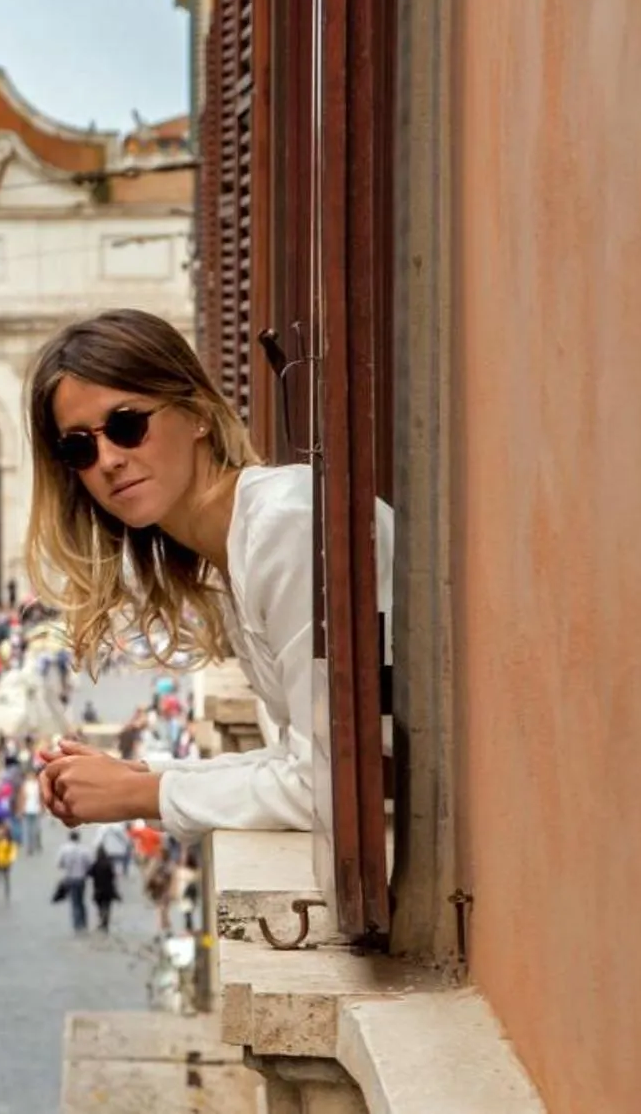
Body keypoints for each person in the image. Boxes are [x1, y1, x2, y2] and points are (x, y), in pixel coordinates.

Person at [26, 309, 390, 838]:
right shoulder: (234, 548)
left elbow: (334, 787)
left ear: (196, 413)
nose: (107, 459)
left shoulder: (286, 526)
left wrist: (140, 793)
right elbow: (304, 760)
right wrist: (143, 774)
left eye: (127, 426)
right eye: (79, 447)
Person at [56, 828, 93, 934]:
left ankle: (77, 925)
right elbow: (90, 864)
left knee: (74, 902)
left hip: (70, 878)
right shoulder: (84, 849)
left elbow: (59, 864)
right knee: (81, 901)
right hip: (81, 879)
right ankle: (84, 923)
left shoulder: (64, 849)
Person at [89, 834, 122, 933]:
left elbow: (89, 874)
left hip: (98, 889)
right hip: (108, 889)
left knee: (99, 906)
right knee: (107, 906)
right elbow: (113, 876)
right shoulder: (109, 864)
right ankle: (105, 922)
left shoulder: (95, 864)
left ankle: (101, 919)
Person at [0, 822, 19, 906]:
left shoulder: (9, 842)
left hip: (6, 863)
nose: (0, 833)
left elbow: (13, 851)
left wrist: (11, 859)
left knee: (6, 879)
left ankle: (6, 894)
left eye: (2, 831)